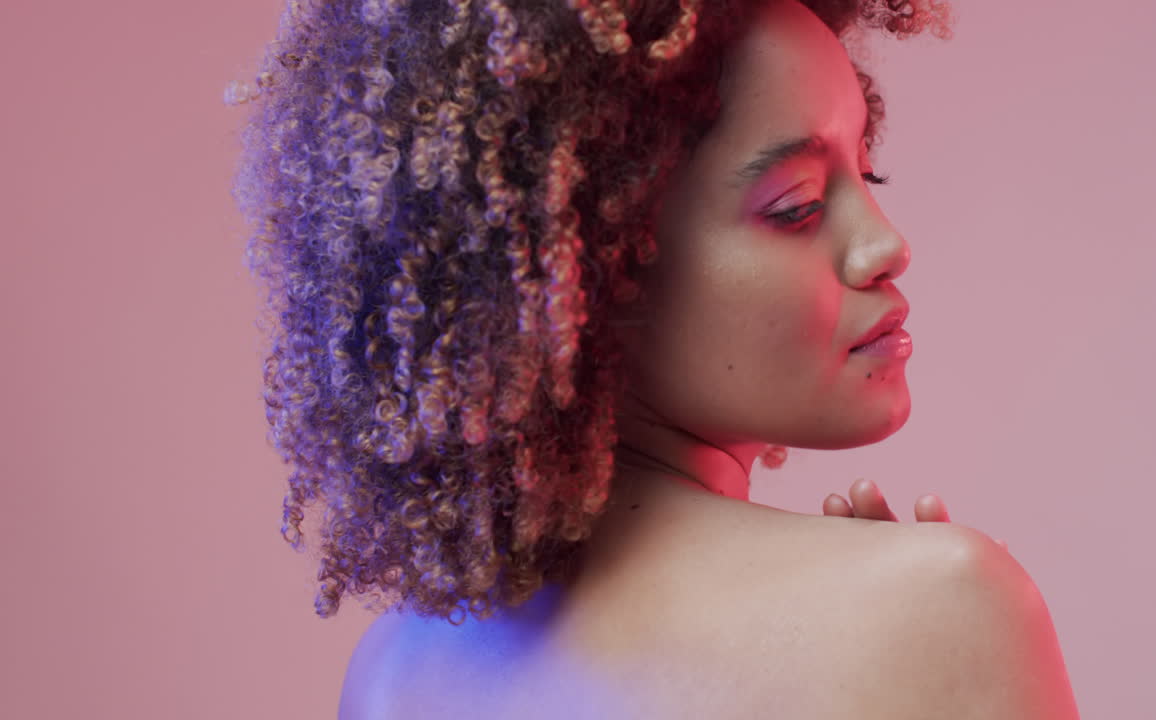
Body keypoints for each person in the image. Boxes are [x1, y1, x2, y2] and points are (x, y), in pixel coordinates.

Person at [226, 0, 1078, 716]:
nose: (885, 246)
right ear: (586, 270)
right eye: (798, 206)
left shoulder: (392, 677)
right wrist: (927, 631)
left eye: (869, 172)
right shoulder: (948, 606)